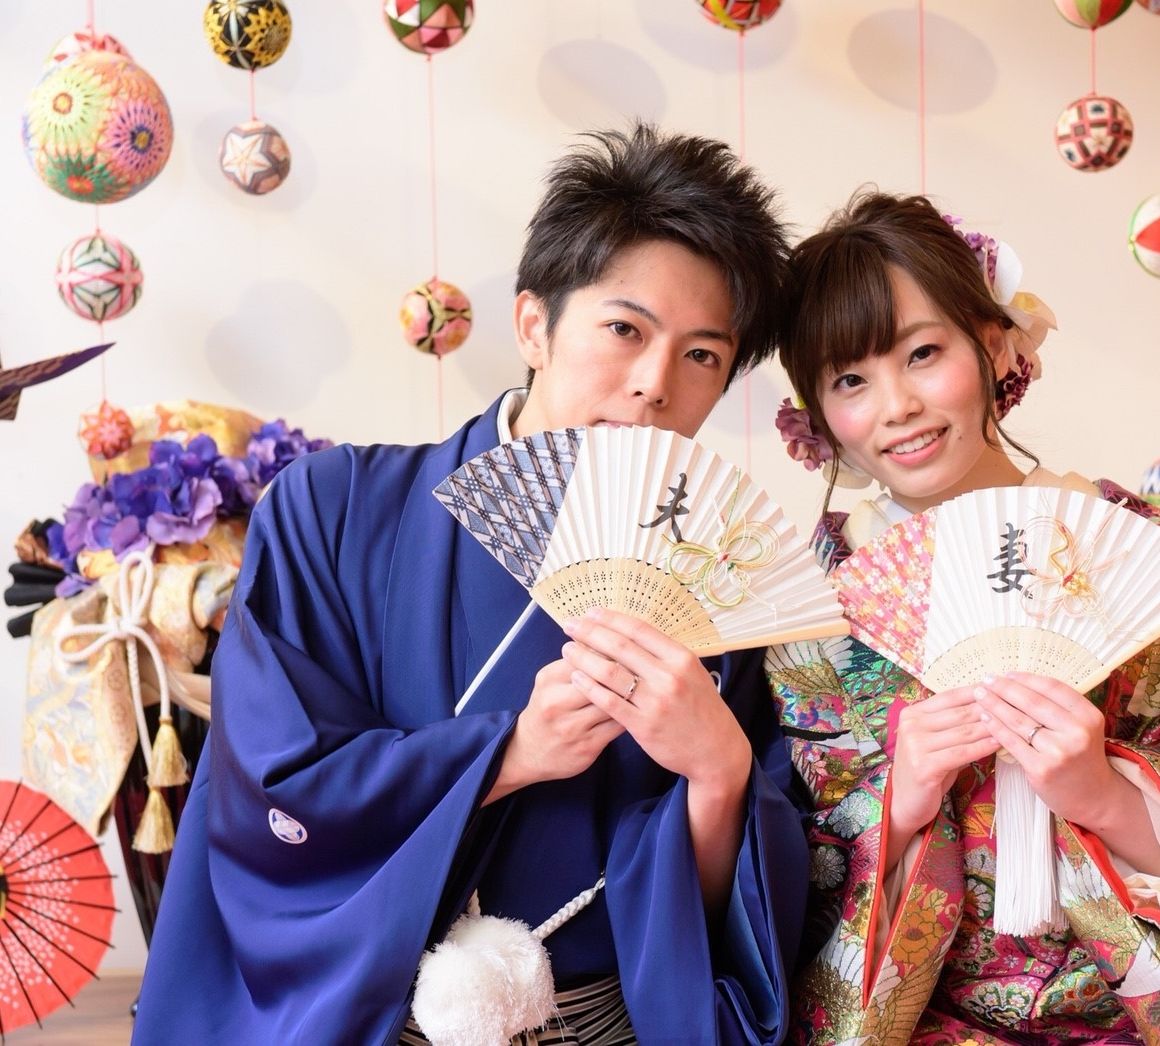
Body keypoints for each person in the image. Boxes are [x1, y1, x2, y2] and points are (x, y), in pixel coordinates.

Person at [132, 124, 810, 1045]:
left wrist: (720, 775)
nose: (655, 384)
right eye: (624, 329)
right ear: (534, 324)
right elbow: (274, 786)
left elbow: (725, 913)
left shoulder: (716, 580)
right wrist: (511, 752)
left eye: (702, 356)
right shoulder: (334, 508)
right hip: (378, 1020)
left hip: (606, 1024)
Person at [768, 190, 1160, 1044]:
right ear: (818, 415)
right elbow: (792, 876)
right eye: (850, 380)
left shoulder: (1130, 543)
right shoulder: (811, 609)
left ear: (992, 345)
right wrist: (900, 804)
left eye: (922, 353)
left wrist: (1105, 796)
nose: (897, 406)